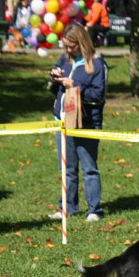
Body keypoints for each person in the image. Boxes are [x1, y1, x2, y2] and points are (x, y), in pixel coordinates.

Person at [47, 23, 107, 223]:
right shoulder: (64, 59)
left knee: (89, 168)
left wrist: (75, 86)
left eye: (71, 46)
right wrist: (53, 80)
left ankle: (94, 210)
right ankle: (67, 207)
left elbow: (98, 96)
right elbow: (51, 89)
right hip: (62, 121)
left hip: (87, 123)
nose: (67, 50)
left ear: (82, 43)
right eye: (65, 46)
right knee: (67, 168)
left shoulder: (97, 65)